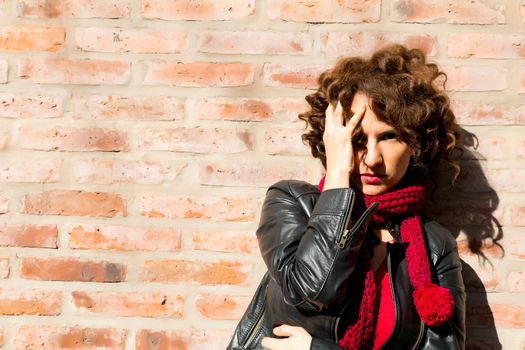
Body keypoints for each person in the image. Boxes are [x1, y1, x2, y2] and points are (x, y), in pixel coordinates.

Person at [227, 44, 466, 350]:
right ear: (334, 140)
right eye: (356, 139)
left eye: (389, 136)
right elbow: (313, 290)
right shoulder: (292, 202)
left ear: (416, 144)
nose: (372, 158)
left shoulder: (435, 246)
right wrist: (339, 178)